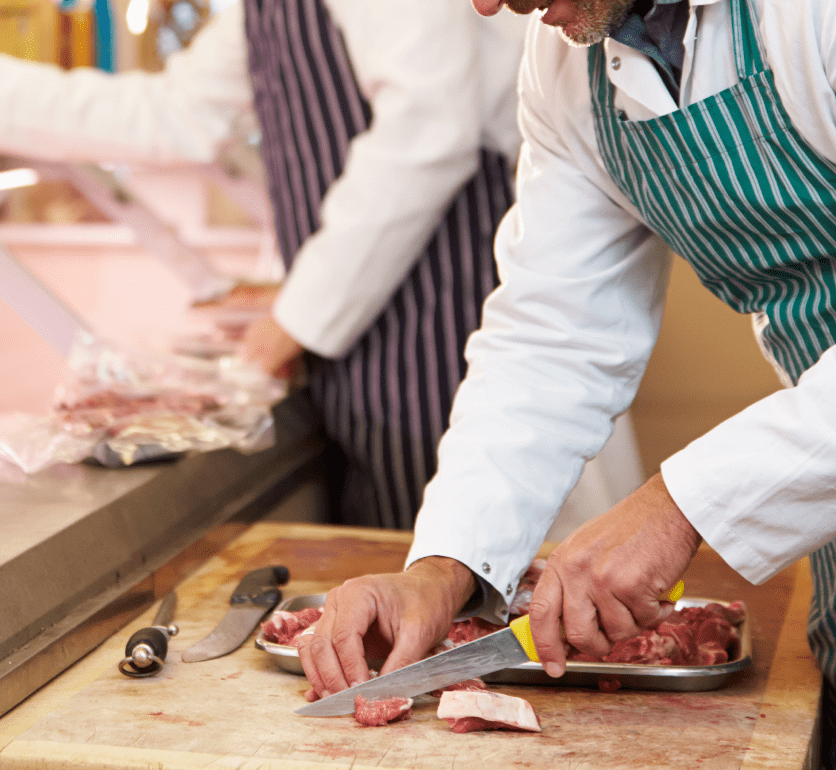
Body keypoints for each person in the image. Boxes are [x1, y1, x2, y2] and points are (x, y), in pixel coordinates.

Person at [296, 0, 836, 752]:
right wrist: (443, 569)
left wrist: (678, 506)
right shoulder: (563, 63)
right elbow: (556, 333)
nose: (489, 5)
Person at [238, 0, 529, 529]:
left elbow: (429, 127)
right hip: (363, 329)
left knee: (451, 560)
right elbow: (186, 107)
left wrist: (299, 314)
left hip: (438, 307)